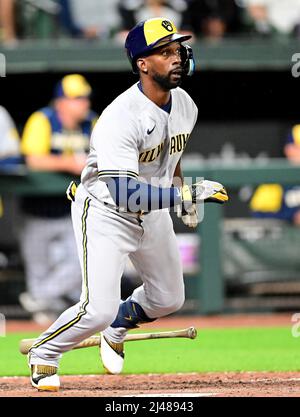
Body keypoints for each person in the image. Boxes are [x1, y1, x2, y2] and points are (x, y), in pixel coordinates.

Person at [27, 17, 228, 391]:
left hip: (151, 209)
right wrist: (184, 195)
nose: (177, 58)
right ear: (143, 63)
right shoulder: (120, 117)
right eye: (165, 52)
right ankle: (45, 352)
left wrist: (181, 191)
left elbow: (173, 153)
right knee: (95, 309)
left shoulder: (185, 104)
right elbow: (125, 194)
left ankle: (119, 324)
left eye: (177, 50)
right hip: (105, 211)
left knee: (168, 298)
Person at [19, 74, 98, 325]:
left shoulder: (92, 122)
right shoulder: (43, 120)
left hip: (70, 212)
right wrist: (69, 163)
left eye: (85, 98)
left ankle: (38, 297)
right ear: (60, 102)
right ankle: (44, 331)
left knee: (80, 265)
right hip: (35, 213)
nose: (83, 103)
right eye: (76, 99)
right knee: (39, 275)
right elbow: (33, 159)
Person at [250, 122, 300, 224]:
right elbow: (259, 214)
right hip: (288, 238)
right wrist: (291, 218)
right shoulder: (277, 178)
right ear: (289, 150)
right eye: (298, 147)